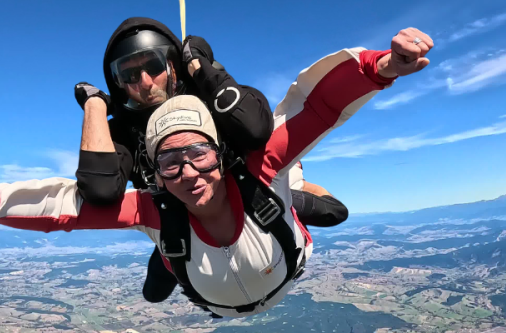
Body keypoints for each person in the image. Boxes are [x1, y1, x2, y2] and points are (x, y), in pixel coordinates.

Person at [0, 27, 434, 318]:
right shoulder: (153, 198)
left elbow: (317, 106)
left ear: (219, 151)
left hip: (259, 207)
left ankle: (292, 200)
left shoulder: (256, 165)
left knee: (328, 210)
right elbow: (69, 206)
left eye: (197, 154)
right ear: (156, 170)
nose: (188, 170)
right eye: (169, 162)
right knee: (156, 281)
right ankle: (250, 216)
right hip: (188, 239)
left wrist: (384, 65)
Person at [71, 16, 348, 304]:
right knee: (153, 294)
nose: (144, 82)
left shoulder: (207, 97)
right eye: (129, 76)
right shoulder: (123, 132)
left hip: (248, 200)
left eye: (153, 67)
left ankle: (291, 193)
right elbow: (100, 190)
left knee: (334, 213)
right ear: (118, 85)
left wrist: (202, 66)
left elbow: (255, 128)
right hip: (178, 219)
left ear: (172, 66)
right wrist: (95, 105)